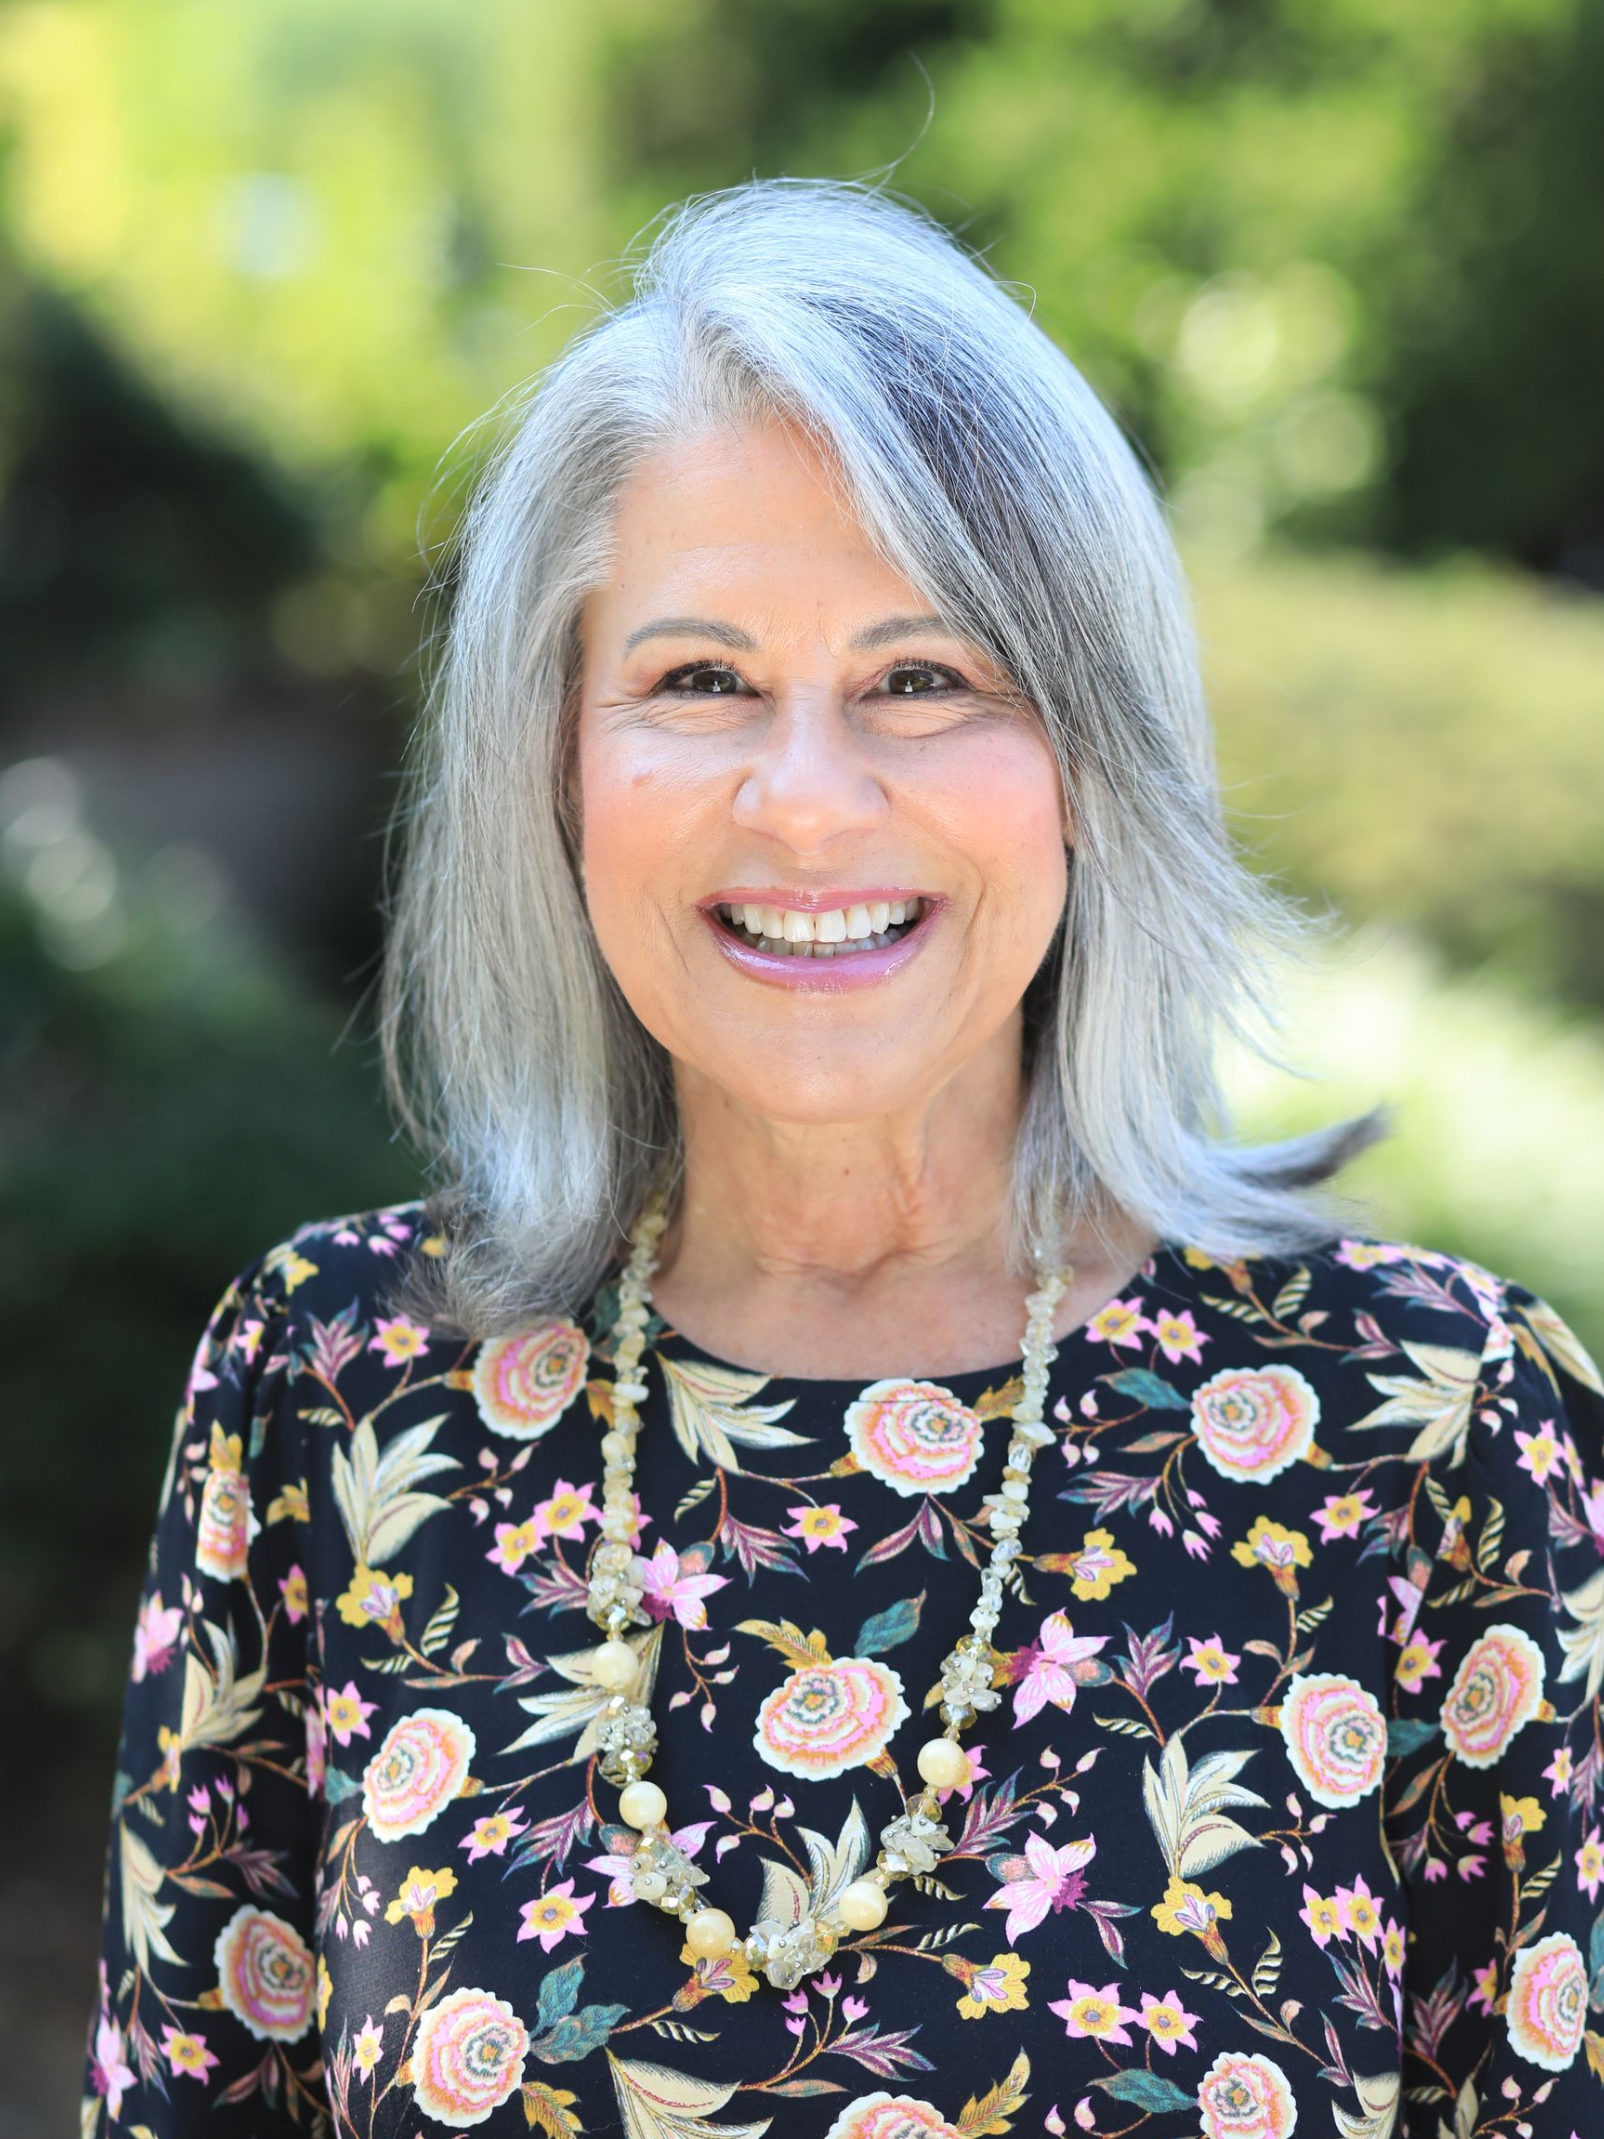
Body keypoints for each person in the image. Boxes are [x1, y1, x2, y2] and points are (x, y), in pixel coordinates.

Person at [85, 179, 1604, 2139]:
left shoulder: (1423, 1431)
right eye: (699, 680)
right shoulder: (332, 1397)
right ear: (556, 761)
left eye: (921, 677)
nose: (805, 802)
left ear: (1089, 752)